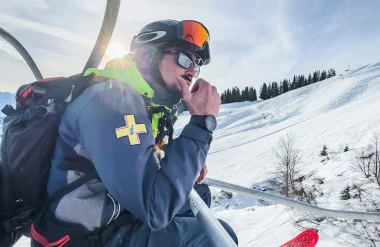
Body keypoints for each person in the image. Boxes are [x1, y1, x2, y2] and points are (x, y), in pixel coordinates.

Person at [31, 19, 238, 246]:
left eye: (196, 65)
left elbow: (143, 157)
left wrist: (189, 159)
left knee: (200, 195)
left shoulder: (143, 102)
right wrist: (201, 125)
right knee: (214, 238)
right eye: (184, 58)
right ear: (149, 56)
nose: (192, 71)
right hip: (82, 235)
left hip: (115, 210)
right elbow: (154, 207)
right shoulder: (112, 103)